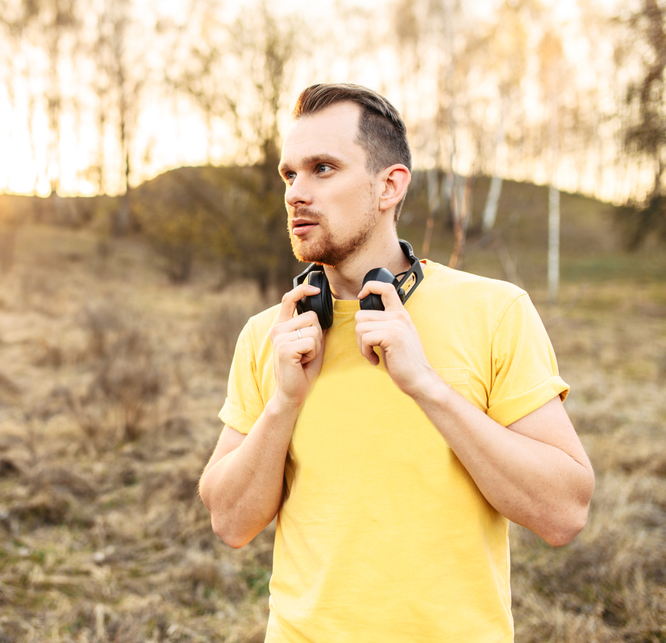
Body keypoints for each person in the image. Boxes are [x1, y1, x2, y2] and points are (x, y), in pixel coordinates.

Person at [198, 83, 594, 642]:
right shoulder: (271, 334)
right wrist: (285, 402)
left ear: (389, 185)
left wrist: (428, 386)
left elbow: (564, 513)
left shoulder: (496, 311)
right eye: (290, 175)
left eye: (324, 168)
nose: (295, 193)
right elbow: (230, 522)